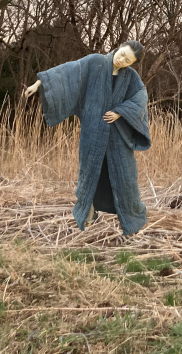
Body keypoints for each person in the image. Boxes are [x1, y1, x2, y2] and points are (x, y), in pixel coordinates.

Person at [25, 40, 150, 237]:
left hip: (118, 137)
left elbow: (140, 98)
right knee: (91, 173)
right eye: (122, 54)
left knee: (126, 178)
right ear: (118, 48)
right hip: (92, 132)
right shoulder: (95, 62)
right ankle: (89, 215)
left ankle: (131, 220)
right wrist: (38, 83)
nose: (121, 60)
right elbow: (67, 72)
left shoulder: (131, 78)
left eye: (127, 61)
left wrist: (120, 112)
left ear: (132, 64)